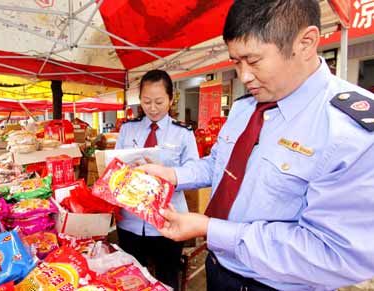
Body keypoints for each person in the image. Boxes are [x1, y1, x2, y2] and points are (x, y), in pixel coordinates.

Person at [139, 1, 374, 290]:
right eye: (236, 62)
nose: (243, 76)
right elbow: (219, 166)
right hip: (218, 268)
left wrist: (211, 229)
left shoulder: (349, 131)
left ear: (306, 42)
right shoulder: (245, 108)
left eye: (253, 60)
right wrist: (173, 176)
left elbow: (334, 253)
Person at [115, 69, 199, 290]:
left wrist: (168, 173)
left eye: (159, 101)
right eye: (146, 101)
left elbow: (195, 172)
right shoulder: (127, 129)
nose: (152, 108)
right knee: (132, 279)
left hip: (168, 220)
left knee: (167, 277)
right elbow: (114, 168)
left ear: (171, 99)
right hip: (131, 220)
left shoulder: (183, 133)